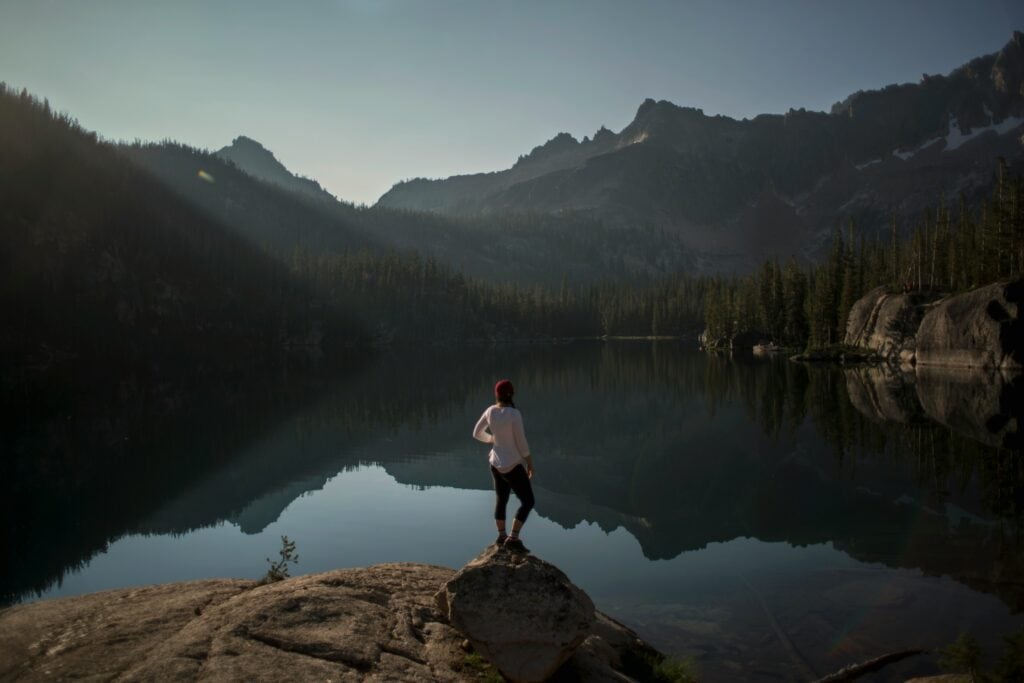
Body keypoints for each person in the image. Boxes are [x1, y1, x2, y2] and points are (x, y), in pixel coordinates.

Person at [472, 379, 535, 551]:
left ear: (497, 394)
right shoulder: (514, 414)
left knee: (502, 500)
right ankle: (513, 538)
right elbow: (521, 443)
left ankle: (501, 536)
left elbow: (476, 433)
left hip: (495, 464)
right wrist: (529, 463)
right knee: (528, 501)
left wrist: (492, 438)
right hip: (513, 465)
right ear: (511, 394)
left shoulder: (490, 411)